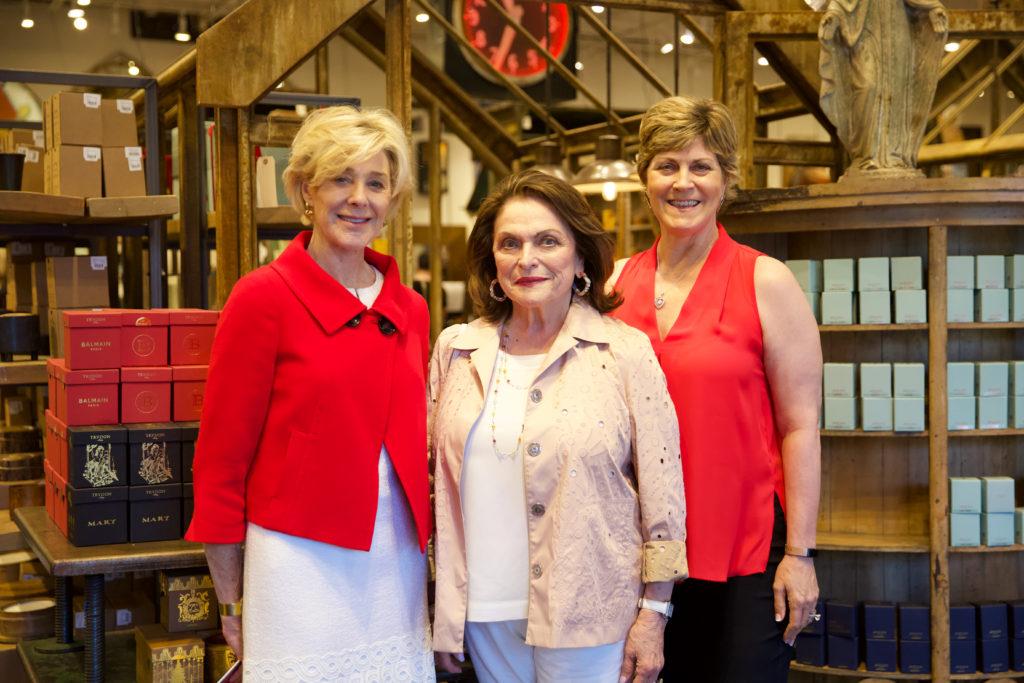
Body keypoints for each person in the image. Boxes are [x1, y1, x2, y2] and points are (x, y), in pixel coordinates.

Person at [185, 106, 435, 681]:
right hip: (298, 563)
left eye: (376, 183)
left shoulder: (412, 308)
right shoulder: (262, 298)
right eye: (340, 178)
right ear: (304, 189)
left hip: (395, 564)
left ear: (393, 200)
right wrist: (230, 601)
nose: (359, 198)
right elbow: (221, 462)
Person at [431, 169, 687, 683]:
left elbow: (664, 499)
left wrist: (654, 614)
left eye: (547, 241)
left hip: (591, 613)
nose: (527, 259)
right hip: (483, 613)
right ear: (491, 260)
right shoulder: (456, 349)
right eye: (510, 243)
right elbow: (430, 481)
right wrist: (440, 606)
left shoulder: (623, 351)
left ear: (580, 258)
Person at [609, 95, 822, 682]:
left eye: (701, 166)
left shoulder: (766, 281)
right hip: (639, 552)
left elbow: (801, 426)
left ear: (726, 180)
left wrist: (800, 554)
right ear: (645, 179)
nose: (683, 183)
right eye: (667, 166)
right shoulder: (613, 285)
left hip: (743, 549)